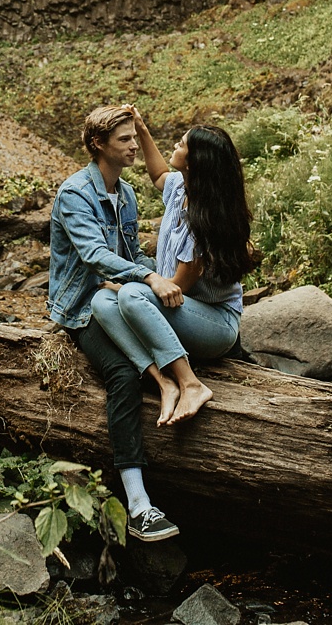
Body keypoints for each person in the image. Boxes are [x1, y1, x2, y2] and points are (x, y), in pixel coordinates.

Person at [48, 106, 184, 542]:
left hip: (120, 296)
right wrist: (148, 277)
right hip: (83, 306)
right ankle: (139, 505)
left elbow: (132, 255)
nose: (133, 146)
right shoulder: (74, 194)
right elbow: (93, 256)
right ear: (98, 146)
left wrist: (171, 279)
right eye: (124, 140)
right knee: (123, 375)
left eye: (133, 138)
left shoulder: (125, 194)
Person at [90, 112, 251, 428]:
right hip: (182, 312)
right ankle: (163, 382)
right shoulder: (182, 187)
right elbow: (159, 174)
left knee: (131, 294)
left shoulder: (203, 224)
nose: (176, 144)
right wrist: (143, 130)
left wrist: (121, 286)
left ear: (194, 163)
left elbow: (175, 292)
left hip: (214, 324)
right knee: (101, 304)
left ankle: (191, 384)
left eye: (182, 143)